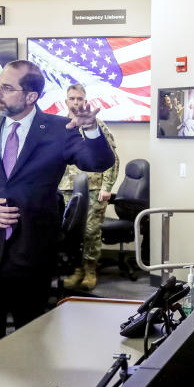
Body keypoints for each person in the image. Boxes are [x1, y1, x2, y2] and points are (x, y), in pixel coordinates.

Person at [0, 60, 114, 351]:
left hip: (33, 253)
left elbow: (98, 162)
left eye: (7, 87)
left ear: (31, 96)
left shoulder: (58, 128)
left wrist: (90, 129)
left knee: (32, 345)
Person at [58, 84, 119, 292]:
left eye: (80, 98)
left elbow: (112, 158)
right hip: (65, 189)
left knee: (91, 231)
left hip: (93, 188)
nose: (76, 102)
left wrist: (107, 186)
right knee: (70, 234)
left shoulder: (96, 124)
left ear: (85, 101)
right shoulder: (60, 125)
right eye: (72, 98)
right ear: (66, 101)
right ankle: (75, 269)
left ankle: (90, 269)